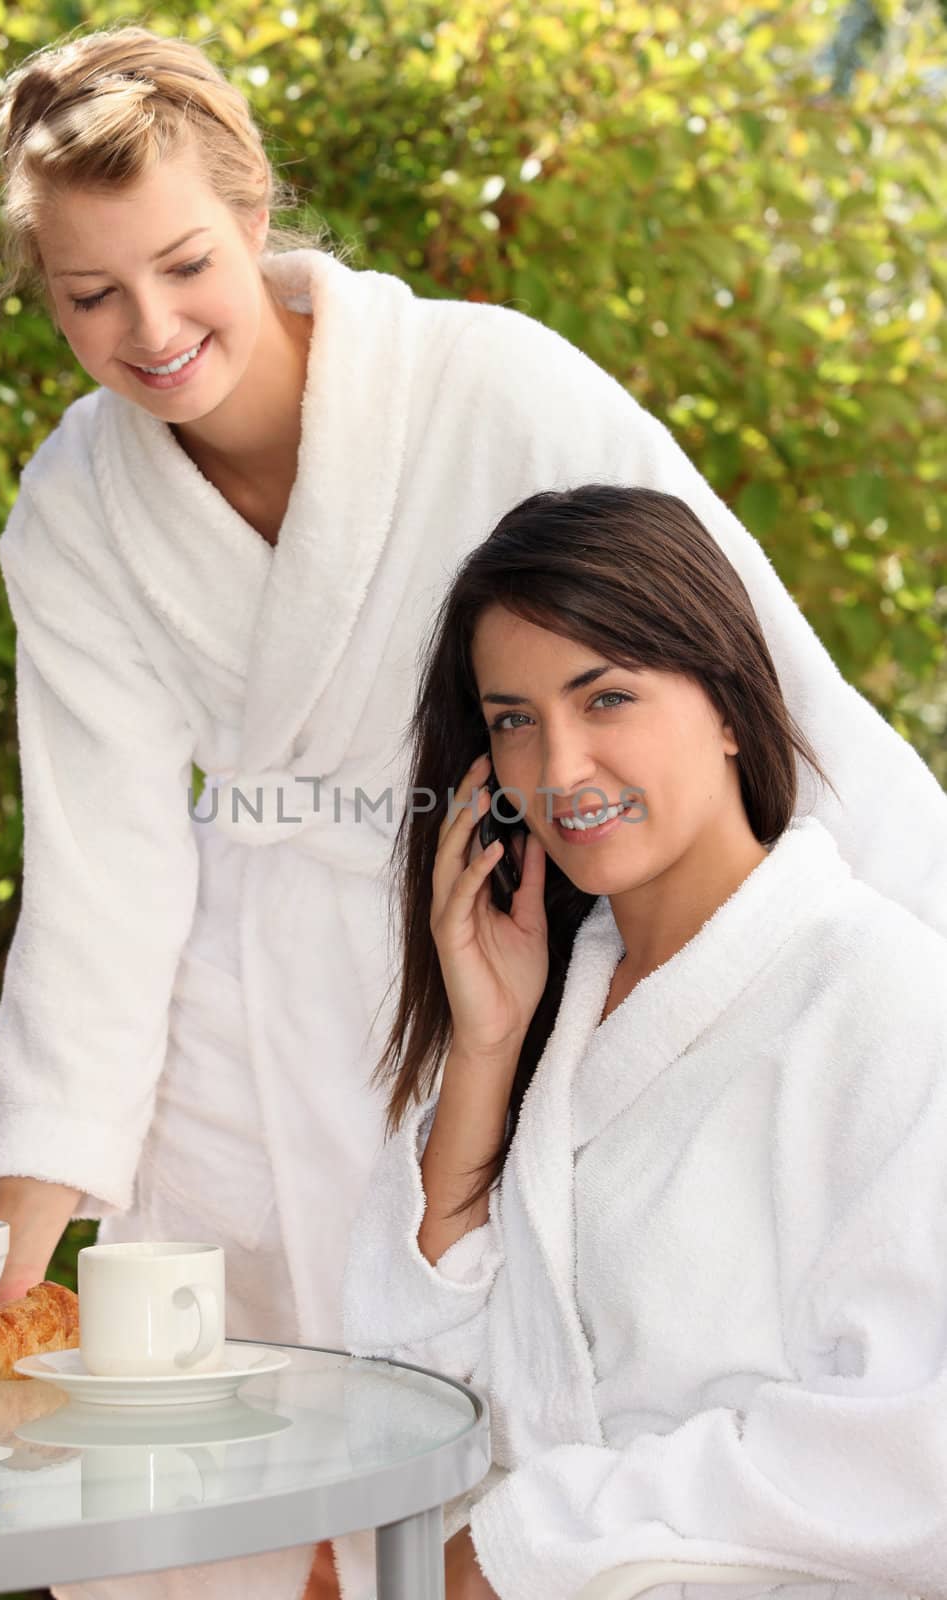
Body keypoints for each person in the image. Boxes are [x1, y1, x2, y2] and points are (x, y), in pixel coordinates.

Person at [0, 22, 947, 1600]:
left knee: (481, 1421)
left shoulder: (486, 382)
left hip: (471, 954)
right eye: (89, 296)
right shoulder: (75, 508)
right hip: (233, 1030)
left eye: (184, 264)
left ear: (252, 211)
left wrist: (905, 935)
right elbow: (100, 883)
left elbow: (735, 658)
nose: (149, 328)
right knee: (210, 1500)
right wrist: (14, 1260)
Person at [343, 484, 947, 1600]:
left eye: (605, 696)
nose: (559, 769)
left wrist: (527, 1546)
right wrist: (481, 1051)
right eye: (513, 719)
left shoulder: (888, 1002)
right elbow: (402, 1386)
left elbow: (914, 1452)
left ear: (726, 703)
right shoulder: (552, 1006)